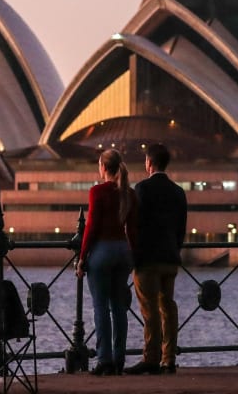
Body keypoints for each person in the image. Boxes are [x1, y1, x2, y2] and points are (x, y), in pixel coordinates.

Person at [124, 143, 187, 376]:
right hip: (170, 258)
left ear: (149, 163)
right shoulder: (178, 192)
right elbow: (181, 228)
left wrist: (134, 255)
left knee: (149, 309)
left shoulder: (142, 189)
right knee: (168, 307)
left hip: (147, 259)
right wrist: (174, 249)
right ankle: (168, 358)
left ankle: (150, 358)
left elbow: (134, 224)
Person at [75, 148, 137, 376]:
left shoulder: (97, 192)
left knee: (100, 306)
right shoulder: (129, 193)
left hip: (102, 250)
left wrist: (82, 258)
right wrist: (134, 256)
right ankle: (120, 359)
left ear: (103, 167)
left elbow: (91, 228)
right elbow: (133, 229)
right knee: (119, 307)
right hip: (123, 251)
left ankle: (105, 360)